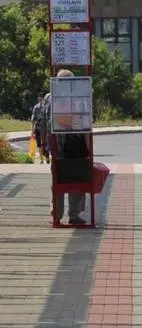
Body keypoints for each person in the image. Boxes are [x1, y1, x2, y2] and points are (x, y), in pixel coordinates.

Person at [44, 69, 88, 224]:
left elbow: (45, 123)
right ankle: (74, 214)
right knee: (76, 178)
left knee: (57, 179)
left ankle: (56, 214)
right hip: (75, 144)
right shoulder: (80, 97)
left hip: (57, 146)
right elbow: (85, 122)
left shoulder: (49, 98)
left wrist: (45, 145)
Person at [30, 93, 49, 163]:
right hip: (40, 128)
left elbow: (33, 119)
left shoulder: (44, 107)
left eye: (41, 98)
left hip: (43, 128)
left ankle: (45, 158)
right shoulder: (37, 107)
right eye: (39, 97)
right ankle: (42, 159)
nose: (40, 99)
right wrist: (32, 131)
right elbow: (32, 120)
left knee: (43, 144)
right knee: (41, 144)